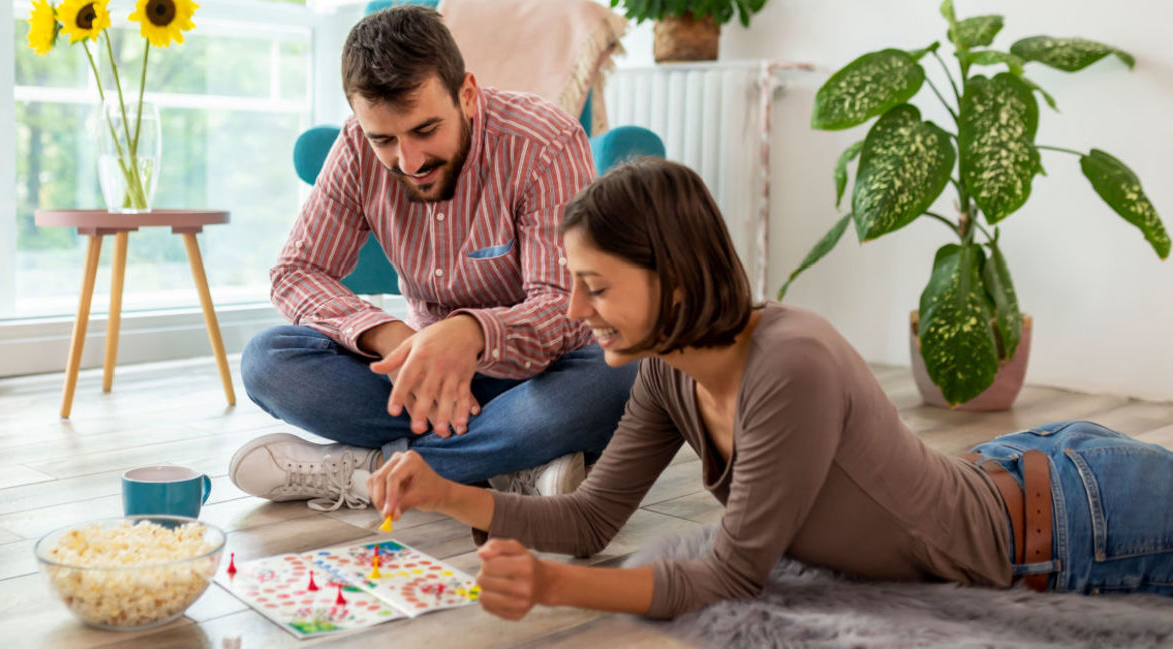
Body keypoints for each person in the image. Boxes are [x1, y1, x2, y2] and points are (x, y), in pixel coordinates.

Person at [365, 157, 1173, 620]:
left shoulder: (791, 364)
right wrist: (445, 493)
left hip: (1070, 520)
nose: (575, 310)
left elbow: (729, 575)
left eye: (595, 287)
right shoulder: (668, 374)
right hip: (1017, 467)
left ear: (673, 282)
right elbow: (589, 517)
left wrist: (551, 584)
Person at [229, 5, 637, 512]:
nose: (410, 162)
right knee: (269, 360)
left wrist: (471, 334)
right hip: (416, 377)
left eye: (425, 130)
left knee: (621, 374)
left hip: (536, 374)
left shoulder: (543, 142)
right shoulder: (355, 147)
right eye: (384, 139)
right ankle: (508, 463)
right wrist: (390, 336)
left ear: (466, 94)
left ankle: (366, 472)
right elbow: (296, 273)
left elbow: (563, 306)